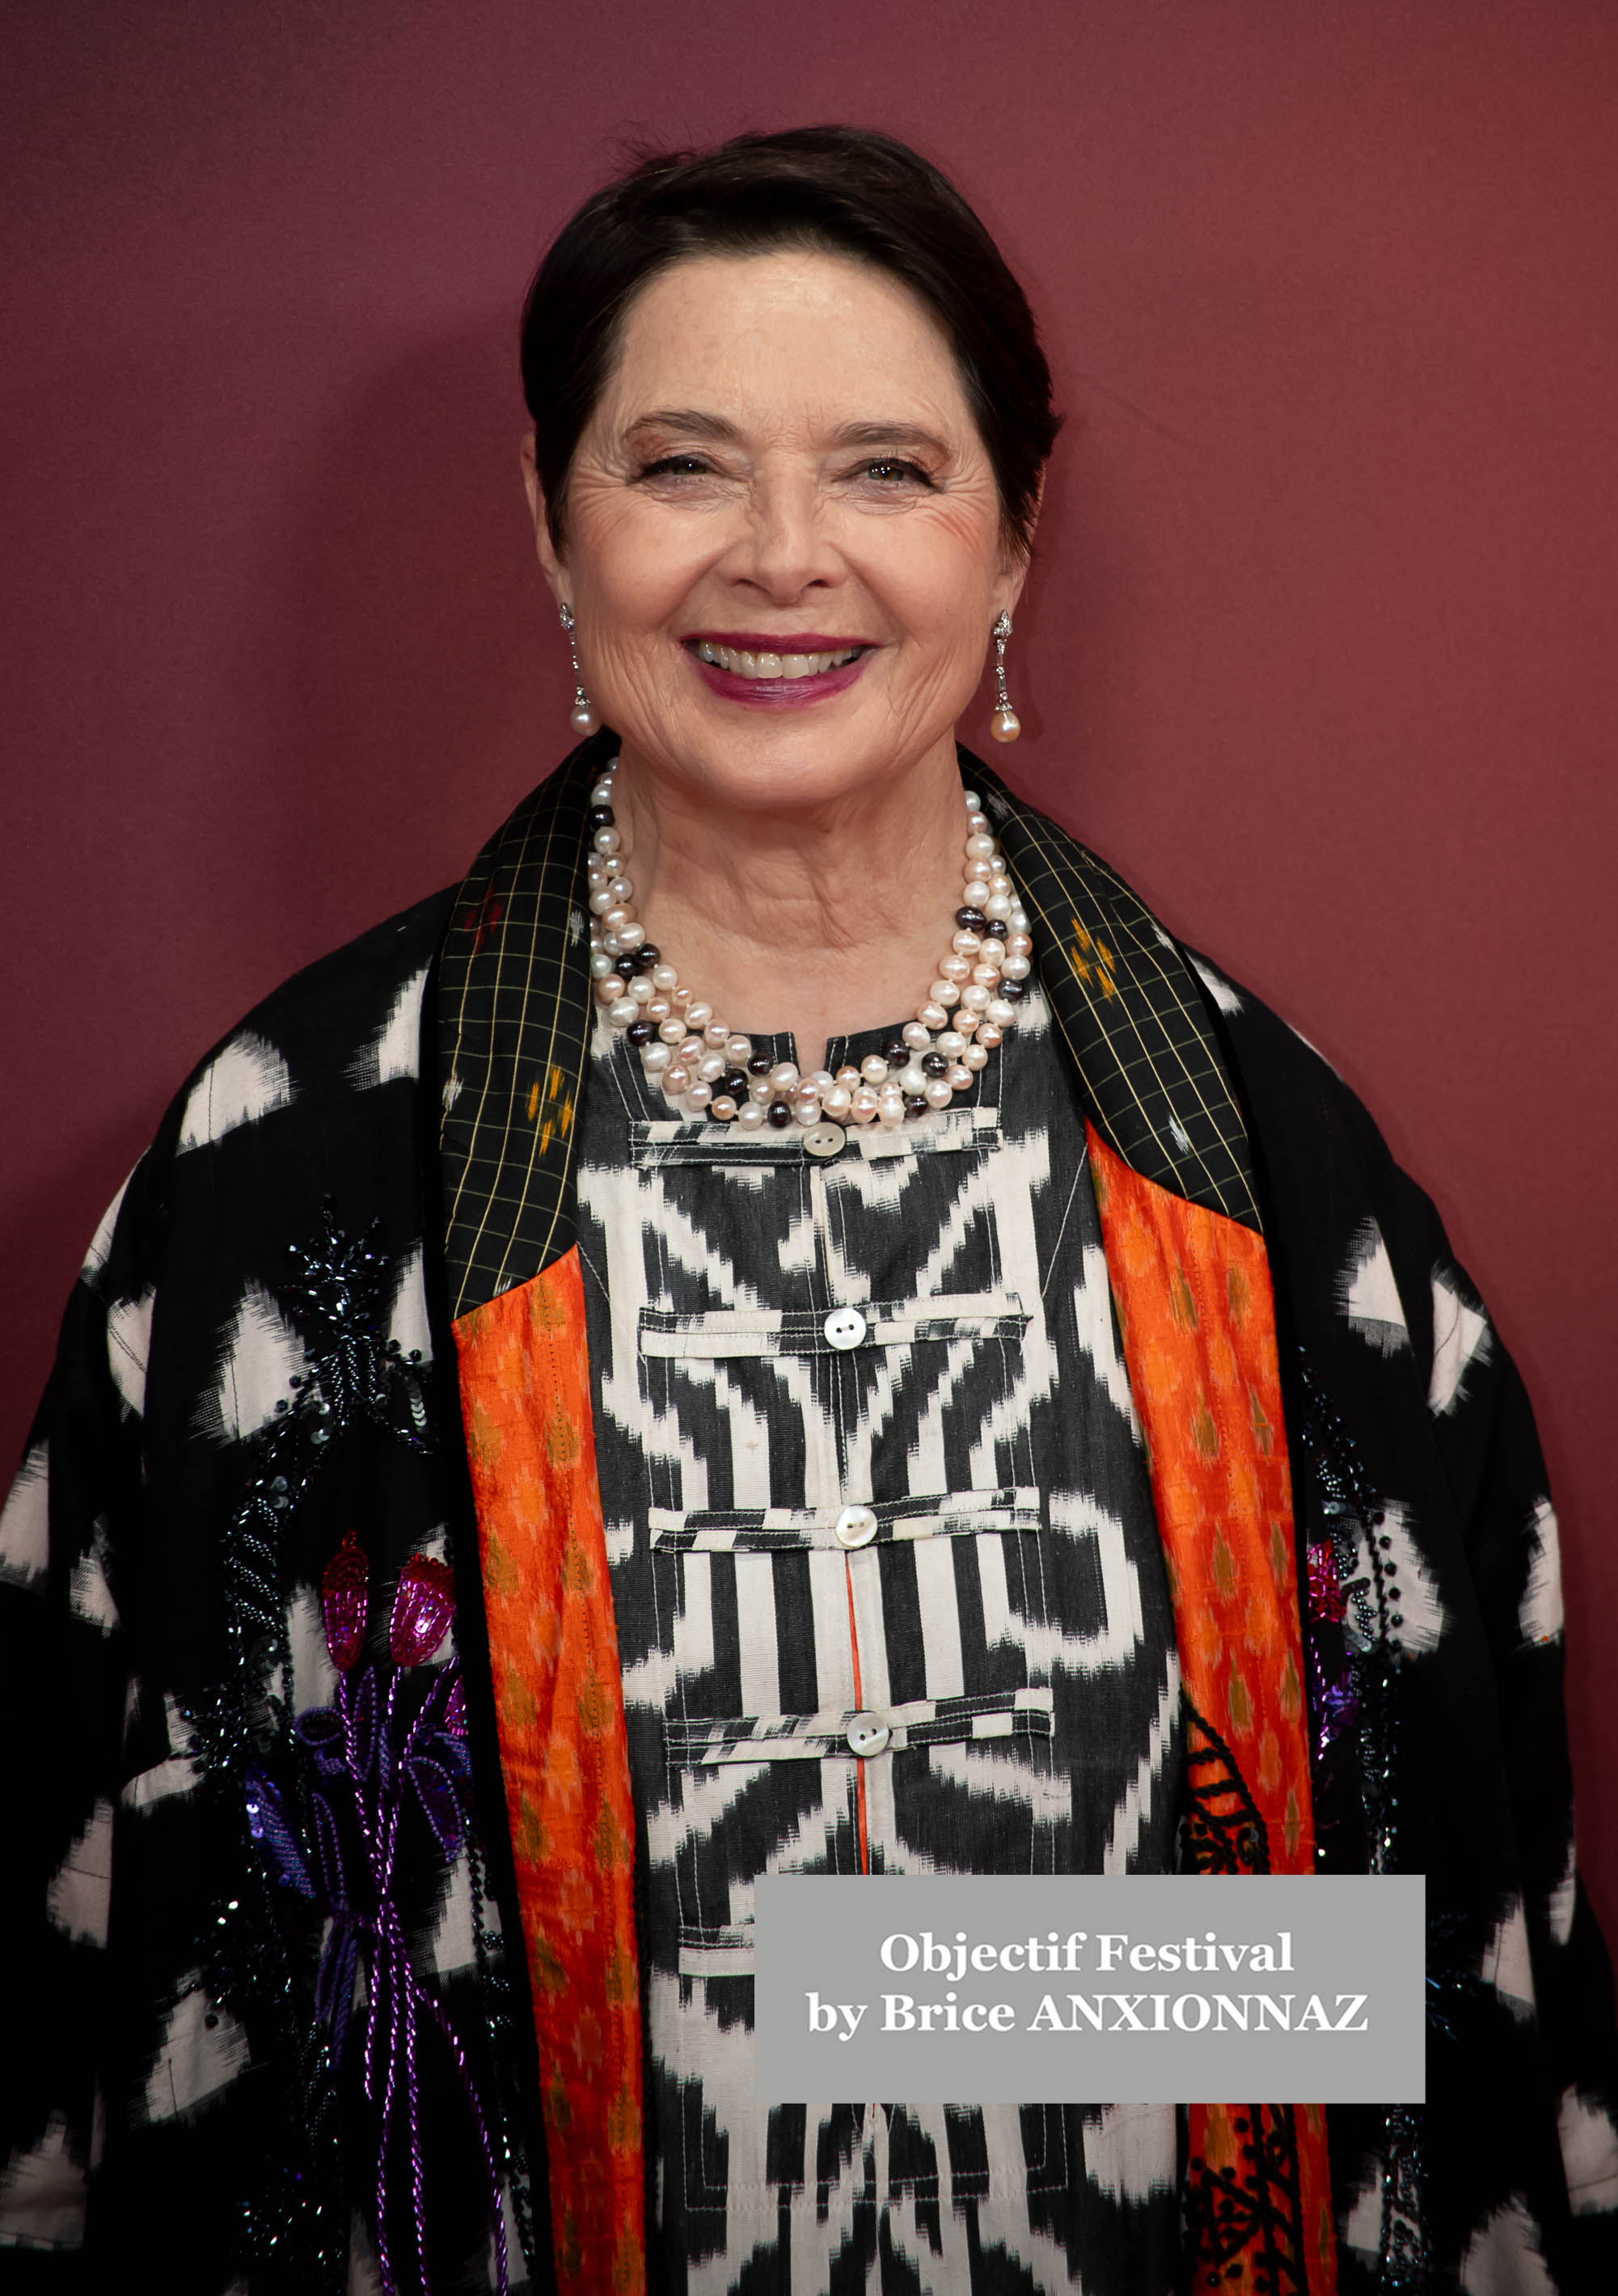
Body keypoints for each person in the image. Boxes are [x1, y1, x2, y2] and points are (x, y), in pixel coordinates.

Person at [1, 125, 1613, 2296]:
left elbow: (1427, 1963)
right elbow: (100, 1937)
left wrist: (875, 2001)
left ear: (1010, 535)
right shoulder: (283, 1169)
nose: (783, 557)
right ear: (551, 525)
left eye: (883, 471)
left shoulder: (1266, 1169)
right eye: (681, 467)